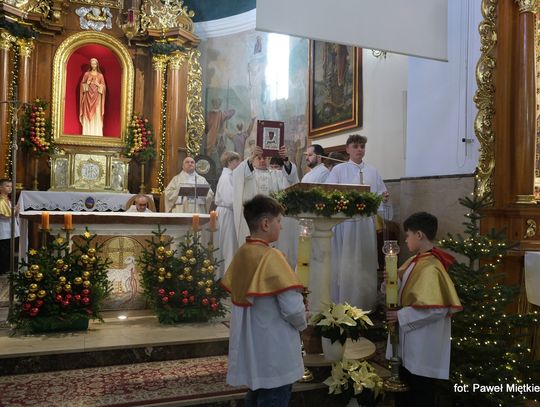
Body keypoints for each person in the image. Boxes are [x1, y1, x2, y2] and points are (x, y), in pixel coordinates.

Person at [220, 195, 306, 406]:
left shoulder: (242, 253)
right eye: (279, 221)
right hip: (276, 351)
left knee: (256, 397)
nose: (281, 227)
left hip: (254, 350)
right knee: (274, 398)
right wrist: (303, 323)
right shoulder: (271, 257)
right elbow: (292, 308)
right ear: (266, 224)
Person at [385, 212, 462, 406]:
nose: (406, 240)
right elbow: (402, 289)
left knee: (420, 394)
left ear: (419, 235)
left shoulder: (432, 267)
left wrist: (401, 315)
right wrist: (391, 280)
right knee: (404, 390)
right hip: (408, 343)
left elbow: (438, 309)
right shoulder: (414, 261)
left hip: (422, 344)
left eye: (408, 235)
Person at [326, 134, 391, 310]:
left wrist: (384, 199)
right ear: (347, 149)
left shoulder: (373, 171)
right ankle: (342, 305)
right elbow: (329, 195)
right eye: (355, 146)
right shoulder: (339, 170)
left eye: (362, 146)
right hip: (345, 224)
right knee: (345, 262)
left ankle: (365, 304)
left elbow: (380, 196)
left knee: (365, 261)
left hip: (365, 225)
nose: (359, 149)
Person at [232, 145, 299, 266]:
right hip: (256, 222)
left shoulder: (277, 174)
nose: (262, 160)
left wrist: (285, 159)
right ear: (253, 159)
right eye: (259, 158)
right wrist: (251, 157)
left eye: (265, 158)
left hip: (273, 222)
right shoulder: (249, 174)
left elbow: (291, 179)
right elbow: (238, 175)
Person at [215, 151, 241, 278]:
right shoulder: (226, 177)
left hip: (230, 212)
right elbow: (230, 199)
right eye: (237, 161)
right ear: (230, 162)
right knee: (228, 244)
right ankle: (226, 277)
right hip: (227, 213)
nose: (239, 163)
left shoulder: (230, 176)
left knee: (230, 244)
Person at [80, 57, 106, 137]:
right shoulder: (86, 74)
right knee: (87, 113)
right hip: (87, 98)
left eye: (95, 64)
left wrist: (98, 84)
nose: (93, 65)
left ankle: (96, 133)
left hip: (97, 98)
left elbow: (104, 87)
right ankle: (87, 133)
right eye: (92, 64)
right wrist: (87, 84)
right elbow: (82, 85)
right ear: (90, 65)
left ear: (97, 65)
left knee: (97, 113)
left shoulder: (100, 76)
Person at [0, 179, 19, 275]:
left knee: (9, 250)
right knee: (3, 251)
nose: (10, 188)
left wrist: (16, 210)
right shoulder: (1, 200)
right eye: (7, 186)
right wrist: (14, 211)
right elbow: (3, 215)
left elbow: (12, 214)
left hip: (10, 228)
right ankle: (2, 270)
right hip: (3, 229)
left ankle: (6, 268)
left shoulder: (9, 200)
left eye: (11, 186)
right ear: (1, 187)